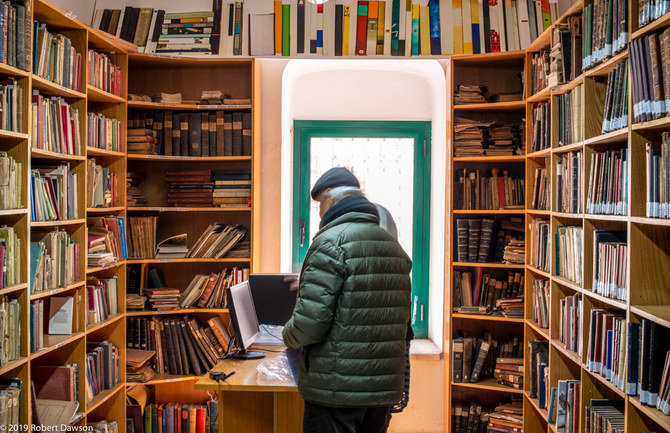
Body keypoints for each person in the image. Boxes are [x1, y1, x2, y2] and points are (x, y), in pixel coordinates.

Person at [283, 167, 413, 433]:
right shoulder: (391, 245)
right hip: (381, 391)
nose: (319, 212)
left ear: (330, 197)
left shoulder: (330, 242)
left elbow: (310, 325)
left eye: (319, 204)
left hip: (336, 390)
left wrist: (286, 336)